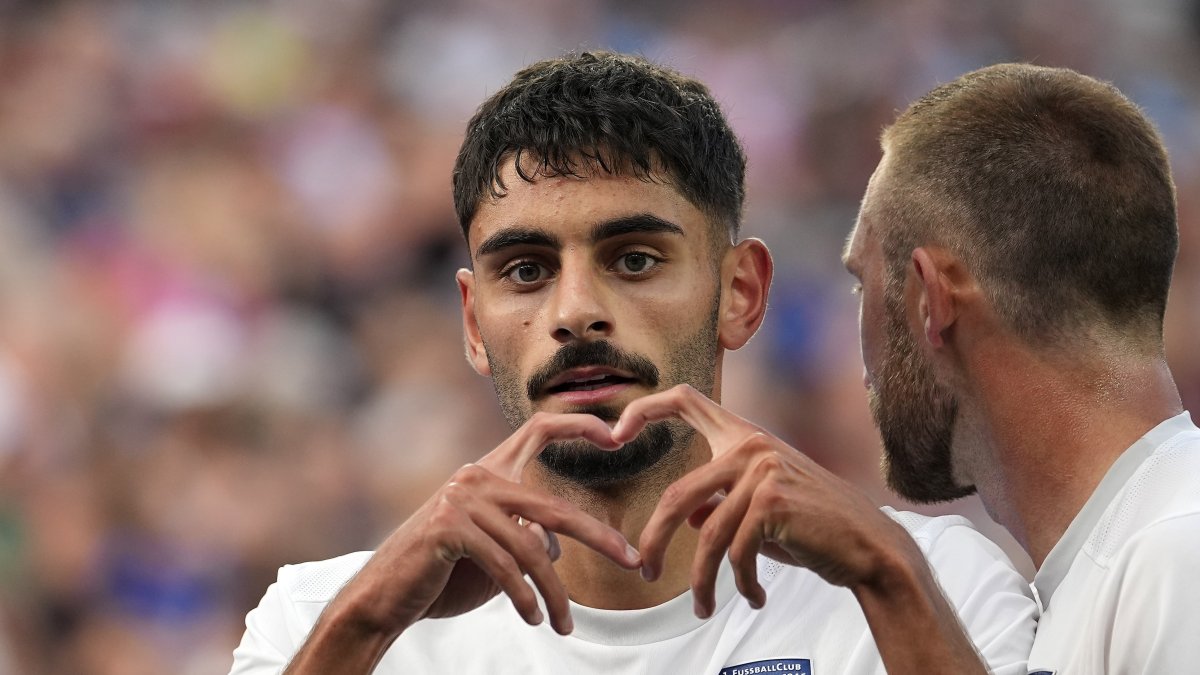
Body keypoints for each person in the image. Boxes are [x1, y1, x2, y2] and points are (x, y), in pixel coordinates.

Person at [230, 51, 1037, 675]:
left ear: (740, 292)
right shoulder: (321, 618)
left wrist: (888, 578)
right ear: (474, 323)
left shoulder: (934, 583)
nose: (576, 310)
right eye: (526, 270)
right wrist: (362, 628)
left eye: (635, 259)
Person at [844, 62, 1200, 673]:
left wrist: (887, 572)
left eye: (861, 286)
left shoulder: (1176, 553)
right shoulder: (1119, 555)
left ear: (930, 300)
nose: (862, 369)